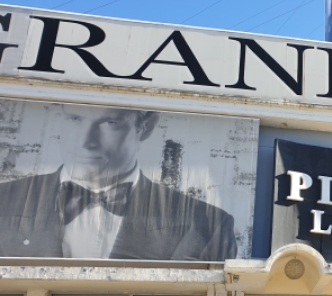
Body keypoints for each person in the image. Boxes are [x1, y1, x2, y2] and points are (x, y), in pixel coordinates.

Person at [0, 105, 237, 261]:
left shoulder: (208, 225)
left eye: (110, 123)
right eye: (74, 118)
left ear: (146, 127)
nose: (85, 142)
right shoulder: (5, 199)